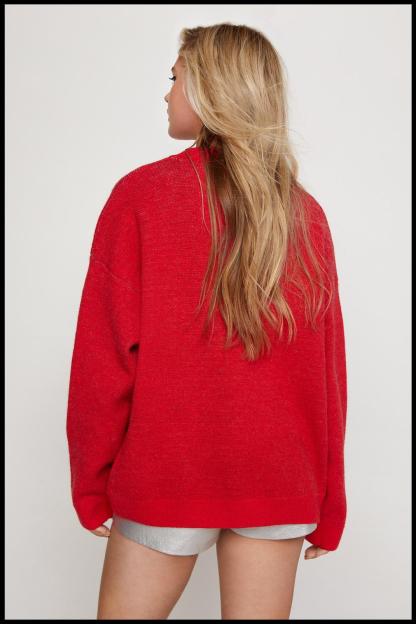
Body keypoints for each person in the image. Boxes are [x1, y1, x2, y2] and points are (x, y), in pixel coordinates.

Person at [66, 23, 348, 619]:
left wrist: (91, 484)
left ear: (210, 88)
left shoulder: (141, 197)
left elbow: (104, 360)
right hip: (279, 478)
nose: (166, 92)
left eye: (175, 78)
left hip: (168, 474)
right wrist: (330, 499)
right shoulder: (305, 213)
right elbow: (327, 379)